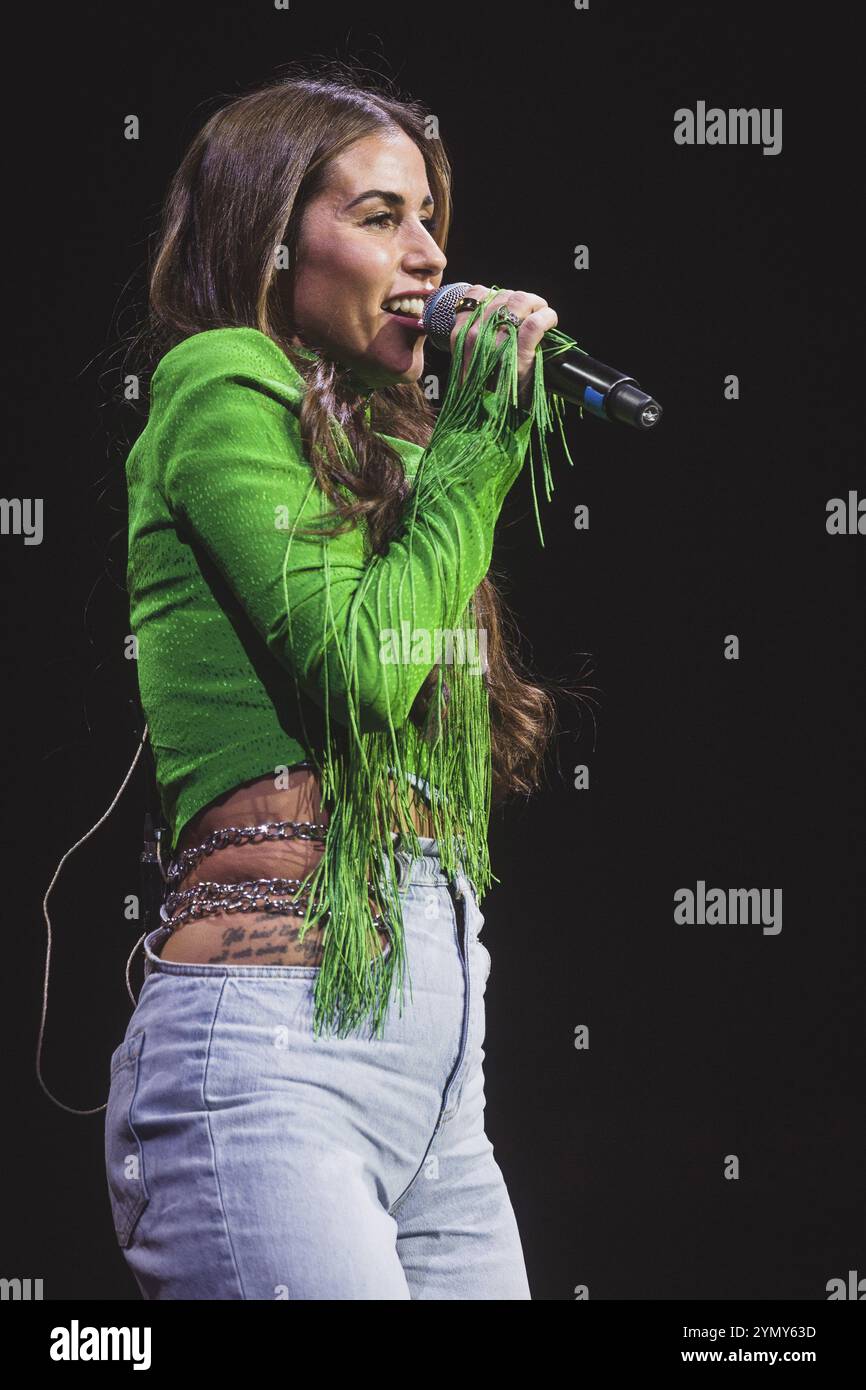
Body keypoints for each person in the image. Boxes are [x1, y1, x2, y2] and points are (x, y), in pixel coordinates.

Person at [105, 67, 578, 1300]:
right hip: (274, 1041)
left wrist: (441, 455)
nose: (427, 256)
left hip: (437, 1076)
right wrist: (477, 450)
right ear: (269, 236)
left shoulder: (376, 453)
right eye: (377, 217)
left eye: (429, 218)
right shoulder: (217, 378)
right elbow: (365, 667)